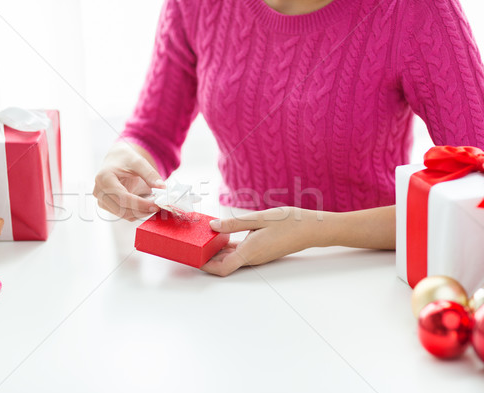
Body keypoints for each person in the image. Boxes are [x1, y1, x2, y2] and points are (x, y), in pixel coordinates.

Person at [94, 0, 484, 276]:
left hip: (367, 270)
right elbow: (152, 133)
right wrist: (124, 159)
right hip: (238, 264)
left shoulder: (416, 9)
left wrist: (320, 229)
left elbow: (476, 195)